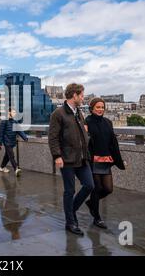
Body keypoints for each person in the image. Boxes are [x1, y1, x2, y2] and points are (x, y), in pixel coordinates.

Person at [48, 83, 94, 236]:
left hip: (82, 157)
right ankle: (70, 222)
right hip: (66, 159)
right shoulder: (58, 113)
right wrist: (57, 156)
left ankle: (71, 210)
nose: (83, 98)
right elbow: (53, 137)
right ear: (74, 95)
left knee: (89, 185)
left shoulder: (79, 112)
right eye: (81, 95)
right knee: (70, 190)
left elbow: (82, 133)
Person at [85, 97, 126, 229]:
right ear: (92, 108)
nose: (100, 109)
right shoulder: (87, 122)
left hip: (106, 160)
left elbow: (113, 143)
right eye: (98, 107)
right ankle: (97, 217)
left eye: (102, 107)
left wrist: (119, 161)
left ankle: (91, 203)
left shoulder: (108, 122)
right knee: (96, 189)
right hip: (94, 161)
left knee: (108, 189)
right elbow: (86, 143)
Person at [0, 108, 28, 177]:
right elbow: (0, 133)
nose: (15, 113)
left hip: (12, 141)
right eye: (13, 112)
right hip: (7, 142)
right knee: (11, 155)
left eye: (15, 112)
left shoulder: (15, 122)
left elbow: (20, 131)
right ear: (9, 113)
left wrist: (25, 138)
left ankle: (2, 167)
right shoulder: (4, 122)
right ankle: (16, 169)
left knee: (7, 156)